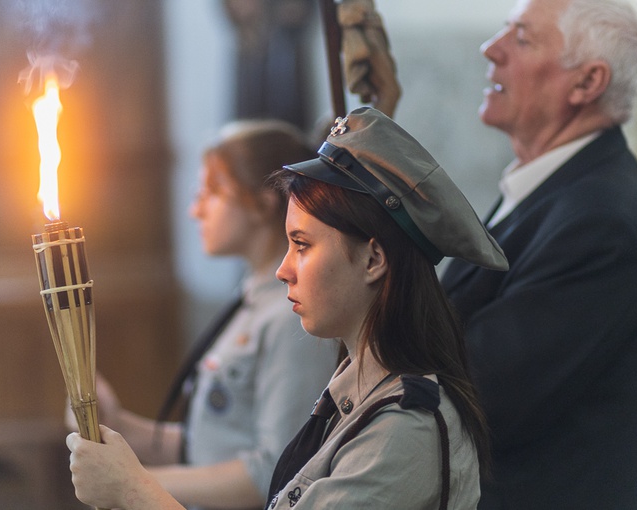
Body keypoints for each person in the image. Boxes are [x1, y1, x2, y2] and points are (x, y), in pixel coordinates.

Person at [67, 107, 509, 509]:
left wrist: (133, 490)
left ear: (374, 259)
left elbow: (260, 479)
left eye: (301, 245)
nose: (283, 271)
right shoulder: (357, 385)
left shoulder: (405, 426)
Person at [439, 1, 637, 508]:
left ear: (587, 83)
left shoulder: (605, 222)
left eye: (522, 39)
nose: (491, 48)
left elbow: (475, 394)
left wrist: (369, 265)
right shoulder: (551, 188)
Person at [72, 119, 340, 510]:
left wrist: (132, 481)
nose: (195, 209)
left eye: (213, 193)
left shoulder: (293, 316)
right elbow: (213, 443)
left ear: (263, 204)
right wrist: (117, 424)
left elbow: (276, 471)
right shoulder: (251, 299)